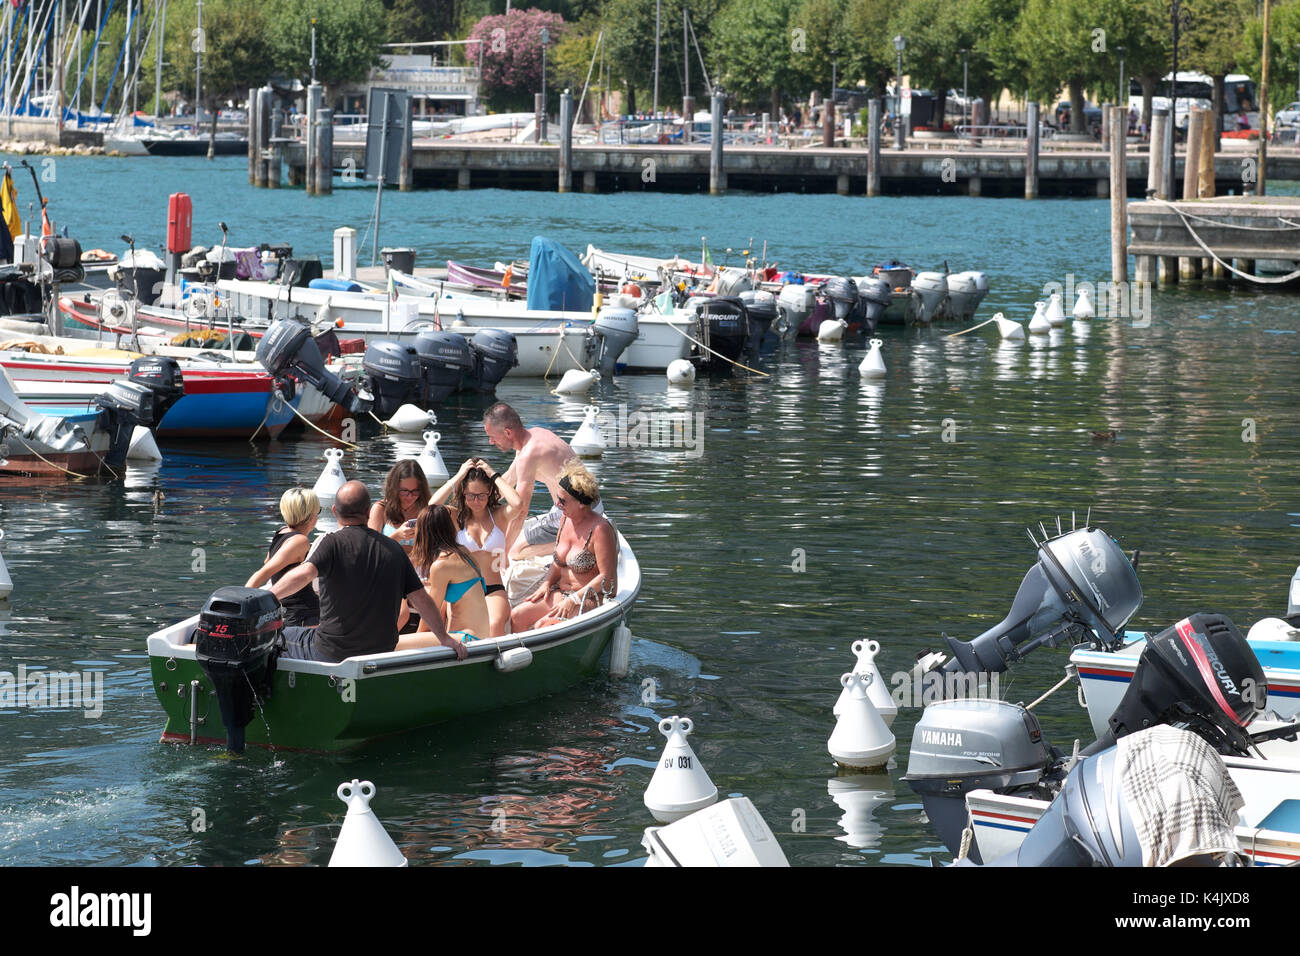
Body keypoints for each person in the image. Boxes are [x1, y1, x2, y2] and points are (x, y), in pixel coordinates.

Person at [270, 481, 466, 663]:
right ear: (367, 512)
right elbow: (422, 599)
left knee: (277, 636)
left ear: (334, 511)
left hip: (332, 651)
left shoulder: (332, 543)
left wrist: (268, 596)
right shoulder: (394, 550)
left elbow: (303, 575)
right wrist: (444, 638)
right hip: (381, 651)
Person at [482, 402, 604, 561]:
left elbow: (520, 511)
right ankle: (582, 537)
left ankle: (585, 543)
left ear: (507, 432)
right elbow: (509, 479)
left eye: (492, 437)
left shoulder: (529, 454)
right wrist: (478, 505)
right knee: (512, 538)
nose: (491, 442)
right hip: (590, 506)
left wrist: (502, 556)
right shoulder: (534, 436)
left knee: (515, 552)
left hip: (576, 515)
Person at [511, 460, 618, 632]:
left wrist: (573, 600)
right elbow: (558, 562)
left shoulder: (601, 530)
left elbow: (607, 578)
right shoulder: (564, 519)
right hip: (561, 594)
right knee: (517, 615)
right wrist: (546, 583)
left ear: (581, 503)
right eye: (557, 500)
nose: (558, 505)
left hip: (588, 599)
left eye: (562, 501)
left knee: (542, 626)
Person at [431, 457, 525, 636]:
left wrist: (493, 475)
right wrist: (458, 476)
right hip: (462, 588)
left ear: (490, 492)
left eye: (481, 495)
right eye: (470, 495)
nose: (476, 500)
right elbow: (432, 506)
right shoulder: (455, 517)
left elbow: (518, 504)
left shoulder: (498, 515)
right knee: (456, 630)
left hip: (493, 589)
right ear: (463, 493)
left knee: (494, 624)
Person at [401, 504, 491, 647]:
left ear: (423, 533)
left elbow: (429, 613)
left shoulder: (441, 565)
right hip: (478, 635)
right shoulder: (463, 552)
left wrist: (415, 643)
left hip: (467, 638)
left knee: (394, 643)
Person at [245, 487, 321, 627]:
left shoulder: (281, 532)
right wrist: (242, 602)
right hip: (303, 616)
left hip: (286, 613)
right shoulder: (300, 541)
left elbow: (268, 562)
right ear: (312, 518)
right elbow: (264, 572)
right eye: (318, 511)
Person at [367, 460, 431, 549]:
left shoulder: (425, 510)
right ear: (394, 488)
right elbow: (371, 549)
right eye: (404, 491)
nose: (410, 496)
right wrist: (397, 536)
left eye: (415, 491)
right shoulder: (380, 509)